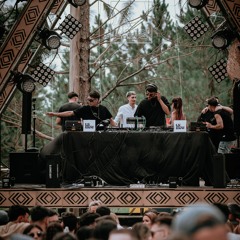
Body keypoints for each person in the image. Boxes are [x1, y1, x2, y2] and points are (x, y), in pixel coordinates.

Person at [47, 90, 117, 128]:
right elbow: (70, 113)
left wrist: (120, 127)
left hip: (102, 135)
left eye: (91, 100)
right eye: (88, 100)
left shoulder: (103, 109)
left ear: (97, 100)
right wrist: (54, 114)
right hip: (87, 136)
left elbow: (112, 122)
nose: (89, 102)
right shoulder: (84, 108)